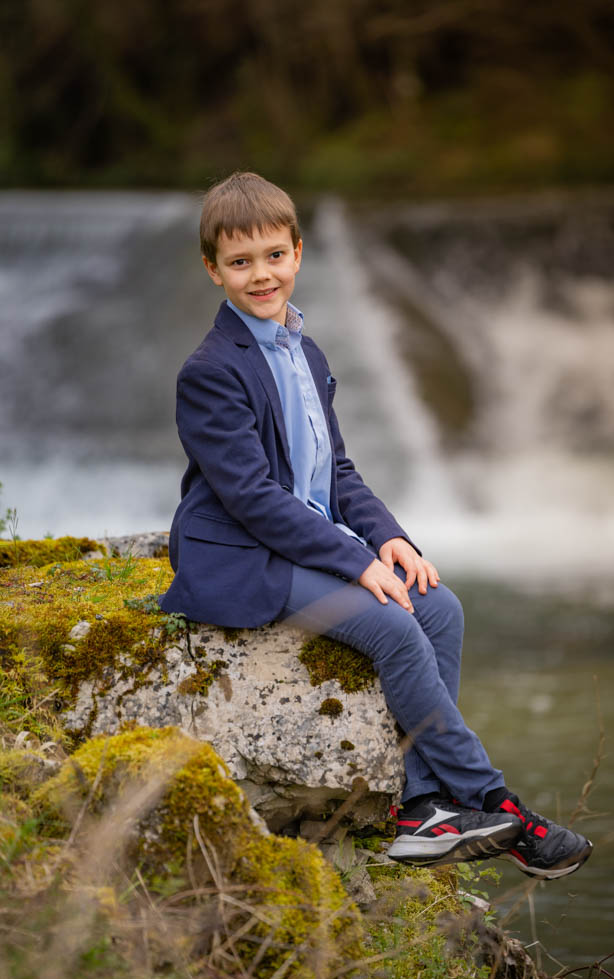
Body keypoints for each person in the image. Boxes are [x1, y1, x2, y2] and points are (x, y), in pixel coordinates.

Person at [160, 171, 592, 880]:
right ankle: (496, 803)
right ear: (214, 270)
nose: (261, 274)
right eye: (240, 262)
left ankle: (421, 806)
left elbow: (336, 471)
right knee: (392, 624)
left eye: (274, 255)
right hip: (243, 554)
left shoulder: (305, 352)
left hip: (301, 541)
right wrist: (355, 560)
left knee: (439, 608)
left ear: (298, 253)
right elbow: (251, 497)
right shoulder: (210, 371)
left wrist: (389, 540)